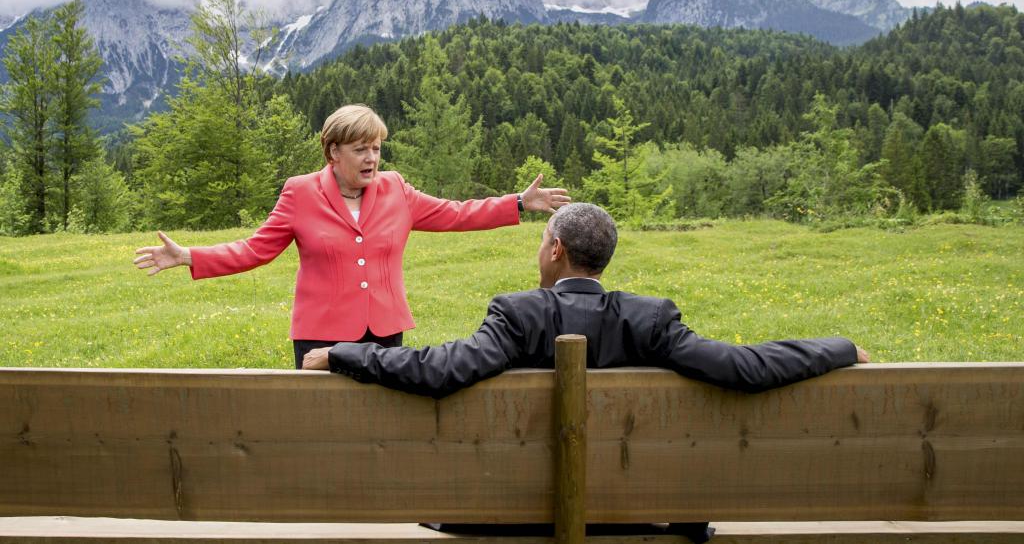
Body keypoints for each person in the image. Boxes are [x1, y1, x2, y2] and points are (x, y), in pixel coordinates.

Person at [302, 202, 868, 543]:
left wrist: (346, 352)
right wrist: (839, 348)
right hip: (637, 514)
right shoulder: (650, 319)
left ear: (555, 250)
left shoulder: (517, 314)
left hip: (513, 516)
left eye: (543, 242)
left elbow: (441, 370)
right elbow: (745, 367)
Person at [133, 104, 570, 368]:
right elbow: (255, 249)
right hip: (320, 333)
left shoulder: (396, 188)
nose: (372, 158)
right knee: (321, 428)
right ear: (333, 152)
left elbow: (454, 213)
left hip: (384, 331)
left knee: (381, 424)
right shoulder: (299, 193)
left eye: (377, 148)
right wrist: (190, 255)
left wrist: (516, 203)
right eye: (361, 149)